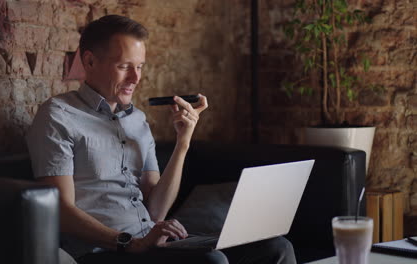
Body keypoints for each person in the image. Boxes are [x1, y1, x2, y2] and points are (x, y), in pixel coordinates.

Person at [26, 15, 296, 264]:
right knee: (212, 261)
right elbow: (60, 209)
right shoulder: (58, 115)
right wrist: (130, 243)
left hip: (151, 240)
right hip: (106, 250)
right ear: (89, 61)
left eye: (140, 67)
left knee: (276, 248)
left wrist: (183, 143)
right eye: (124, 67)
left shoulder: (137, 120)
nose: (136, 78)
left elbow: (156, 211)